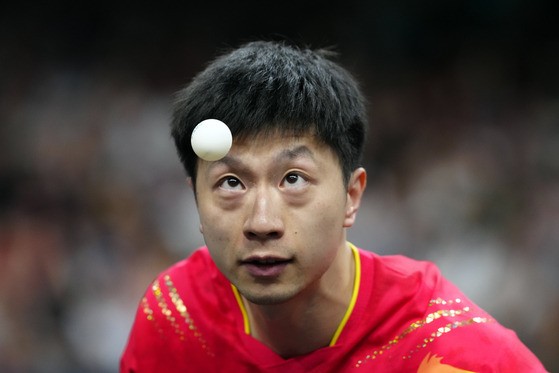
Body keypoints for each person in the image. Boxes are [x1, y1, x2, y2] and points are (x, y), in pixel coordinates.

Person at [120, 41, 548, 372]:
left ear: (352, 197)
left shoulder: (455, 356)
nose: (262, 223)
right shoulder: (176, 318)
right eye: (231, 183)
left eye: (293, 179)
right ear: (195, 201)